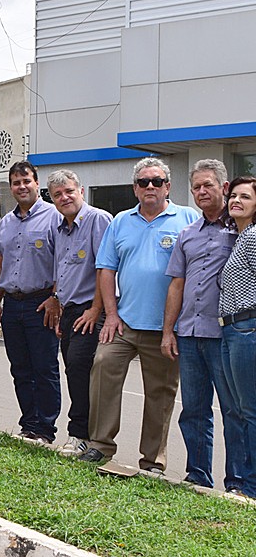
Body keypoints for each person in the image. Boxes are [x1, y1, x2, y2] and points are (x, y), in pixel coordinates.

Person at [79, 158, 200, 473]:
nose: (150, 187)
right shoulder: (121, 221)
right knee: (103, 366)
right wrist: (111, 314)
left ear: (168, 187)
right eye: (143, 182)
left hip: (166, 328)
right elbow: (106, 268)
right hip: (125, 322)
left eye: (156, 182)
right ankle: (100, 445)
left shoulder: (188, 218)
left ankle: (152, 460)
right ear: (135, 188)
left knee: (160, 393)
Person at [162, 160, 244, 492]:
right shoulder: (187, 234)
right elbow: (176, 285)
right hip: (190, 335)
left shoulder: (242, 230)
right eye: (196, 187)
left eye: (208, 185)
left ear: (224, 188)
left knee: (233, 412)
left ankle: (238, 481)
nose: (201, 192)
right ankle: (198, 475)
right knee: (193, 411)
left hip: (225, 336)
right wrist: (168, 330)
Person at [0, 161, 63, 444]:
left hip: (41, 303)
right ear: (11, 187)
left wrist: (56, 298)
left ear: (37, 183)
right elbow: (1, 262)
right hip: (13, 304)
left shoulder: (53, 217)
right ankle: (29, 424)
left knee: (44, 368)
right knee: (20, 368)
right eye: (16, 183)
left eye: (26, 181)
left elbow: (62, 261)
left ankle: (45, 429)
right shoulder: (7, 222)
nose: (22, 187)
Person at [47, 169, 112, 457]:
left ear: (81, 191)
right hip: (71, 310)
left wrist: (96, 309)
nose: (64, 198)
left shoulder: (98, 219)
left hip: (91, 310)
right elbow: (62, 273)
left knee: (79, 368)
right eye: (57, 195)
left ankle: (82, 435)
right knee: (73, 370)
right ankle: (82, 435)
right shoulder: (61, 228)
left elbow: (105, 268)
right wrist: (60, 308)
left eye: (69, 191)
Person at [219, 175, 256, 500]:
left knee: (250, 410)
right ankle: (243, 482)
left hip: (248, 328)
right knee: (241, 410)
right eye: (233, 196)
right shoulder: (240, 236)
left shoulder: (255, 236)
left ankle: (251, 487)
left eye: (245, 196)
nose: (236, 201)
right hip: (232, 329)